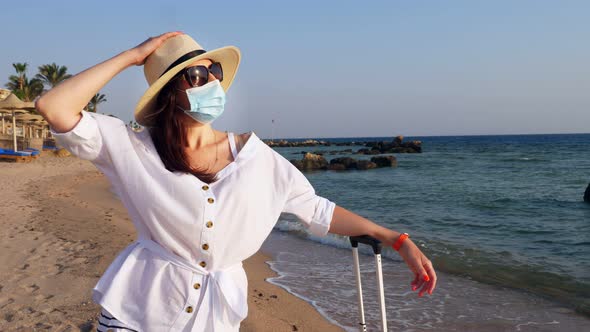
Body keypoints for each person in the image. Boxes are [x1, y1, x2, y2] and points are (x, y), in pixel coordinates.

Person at [36, 31, 437, 332]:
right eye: (196, 75)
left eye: (214, 72)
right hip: (138, 312)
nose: (210, 82)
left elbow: (317, 210)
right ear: (168, 93)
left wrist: (394, 238)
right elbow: (52, 106)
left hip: (215, 317)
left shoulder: (257, 157)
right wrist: (133, 56)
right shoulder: (131, 148)